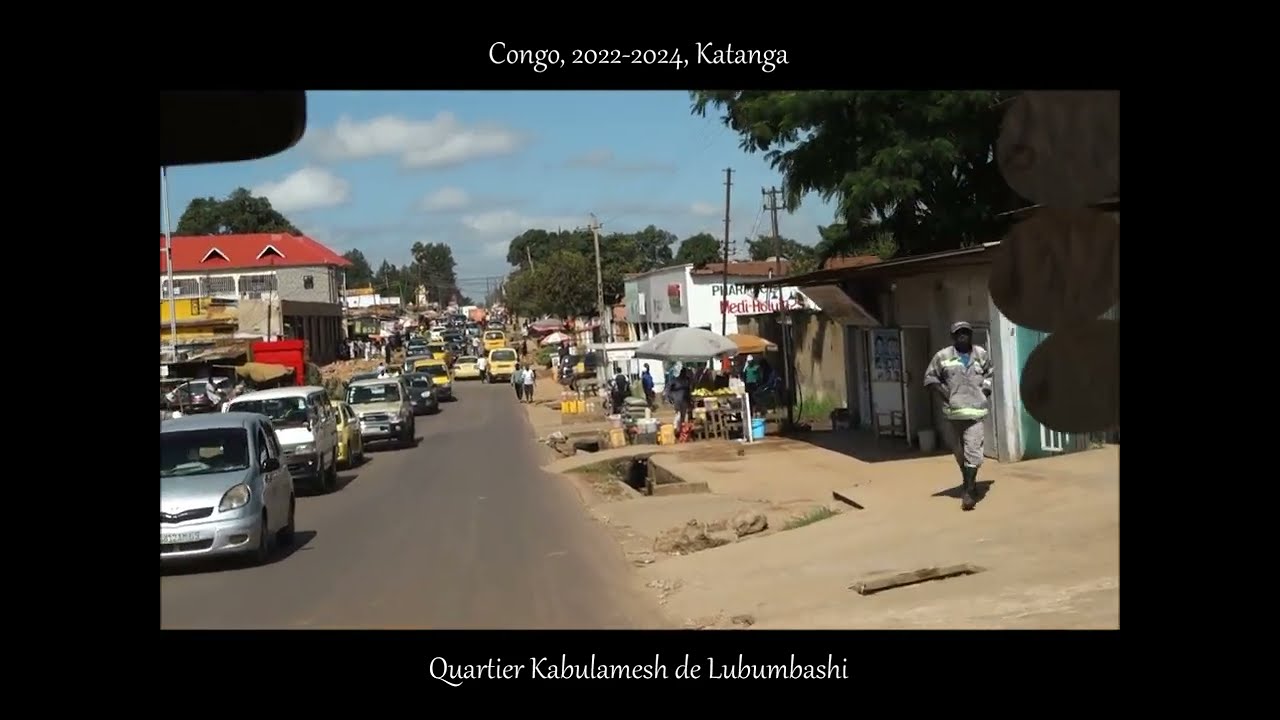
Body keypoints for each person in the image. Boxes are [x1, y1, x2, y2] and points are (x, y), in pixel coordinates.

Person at [922, 321, 995, 512]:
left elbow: (990, 373)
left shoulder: (980, 354)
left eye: (966, 333)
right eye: (958, 334)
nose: (962, 336)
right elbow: (930, 378)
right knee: (959, 452)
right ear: (953, 337)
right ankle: (968, 480)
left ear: (970, 335)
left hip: (976, 412)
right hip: (953, 413)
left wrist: (985, 391)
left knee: (973, 449)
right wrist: (945, 394)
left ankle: (969, 492)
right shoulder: (943, 356)